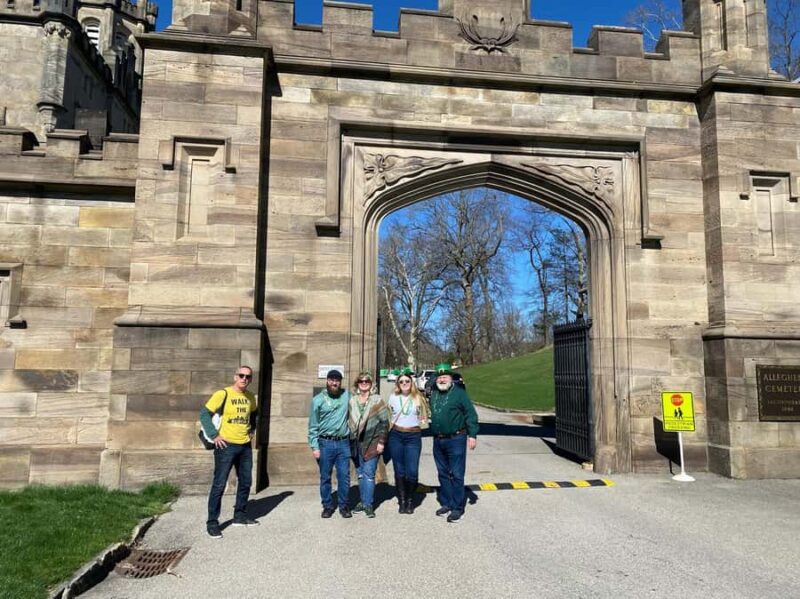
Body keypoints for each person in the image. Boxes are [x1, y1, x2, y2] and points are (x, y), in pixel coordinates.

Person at [200, 365, 258, 539]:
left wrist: (252, 429)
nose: (244, 379)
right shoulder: (223, 394)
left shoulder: (250, 397)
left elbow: (254, 414)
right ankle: (212, 523)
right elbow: (204, 414)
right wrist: (214, 435)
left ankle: (239, 516)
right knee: (219, 484)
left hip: (245, 445)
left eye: (248, 377)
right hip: (225, 446)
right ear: (235, 377)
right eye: (241, 375)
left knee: (246, 482)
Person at [428, 362, 479, 523]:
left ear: (450, 378)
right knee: (442, 473)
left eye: (445, 377)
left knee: (456, 474)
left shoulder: (459, 394)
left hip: (456, 438)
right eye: (439, 377)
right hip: (438, 439)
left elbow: (470, 414)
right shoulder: (434, 394)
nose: (442, 380)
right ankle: (447, 502)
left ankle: (457, 507)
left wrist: (472, 435)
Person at [308, 369, 353, 519]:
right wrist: (314, 446)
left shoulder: (347, 395)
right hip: (325, 443)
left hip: (343, 443)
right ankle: (327, 505)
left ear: (340, 382)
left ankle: (344, 506)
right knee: (325, 477)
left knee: (344, 477)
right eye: (332, 380)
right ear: (327, 381)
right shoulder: (318, 400)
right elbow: (313, 425)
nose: (334, 382)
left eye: (337, 380)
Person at [386, 367, 430, 514]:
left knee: (412, 470)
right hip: (396, 435)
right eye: (401, 381)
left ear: (411, 383)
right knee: (399, 470)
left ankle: (410, 500)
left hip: (413, 435)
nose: (404, 383)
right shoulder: (392, 397)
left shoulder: (418, 398)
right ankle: (402, 501)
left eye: (407, 381)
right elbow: (387, 416)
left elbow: (426, 414)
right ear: (398, 384)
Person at [348, 370, 389, 518]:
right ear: (357, 384)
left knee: (369, 474)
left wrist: (382, 442)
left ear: (371, 384)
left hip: (372, 441)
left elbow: (385, 423)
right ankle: (363, 501)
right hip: (355, 443)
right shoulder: (352, 400)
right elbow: (349, 421)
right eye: (361, 381)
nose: (364, 383)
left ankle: (368, 504)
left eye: (367, 381)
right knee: (360, 474)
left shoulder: (377, 400)